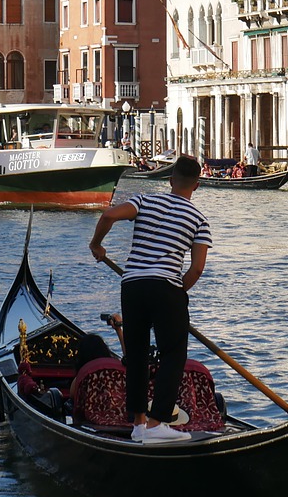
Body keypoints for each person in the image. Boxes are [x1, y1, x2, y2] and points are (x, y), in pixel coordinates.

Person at [88, 154, 210, 444]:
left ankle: (139, 424)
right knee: (173, 354)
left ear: (170, 180)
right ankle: (157, 424)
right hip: (166, 287)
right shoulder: (199, 220)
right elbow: (197, 268)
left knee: (138, 354)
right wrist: (178, 293)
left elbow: (107, 215)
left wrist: (96, 245)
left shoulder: (145, 201)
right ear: (197, 185)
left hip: (132, 285)